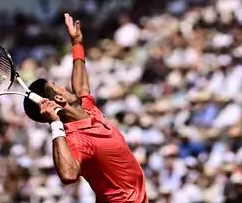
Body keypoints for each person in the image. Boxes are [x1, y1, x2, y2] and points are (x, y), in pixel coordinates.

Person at [23, 13, 149, 203]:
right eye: (58, 86)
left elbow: (81, 86)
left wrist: (77, 44)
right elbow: (68, 175)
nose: (65, 87)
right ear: (58, 98)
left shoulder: (86, 109)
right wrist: (55, 124)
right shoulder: (75, 140)